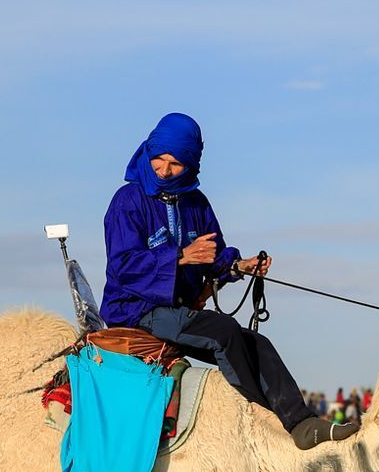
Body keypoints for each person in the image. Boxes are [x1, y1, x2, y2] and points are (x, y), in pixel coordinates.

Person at [101, 113, 355, 450]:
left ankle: (302, 423)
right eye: (158, 159)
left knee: (257, 344)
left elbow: (214, 256)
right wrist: (180, 257)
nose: (164, 170)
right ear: (147, 152)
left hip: (180, 313)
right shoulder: (127, 201)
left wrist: (240, 265)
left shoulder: (196, 203)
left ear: (190, 165)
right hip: (137, 311)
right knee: (223, 332)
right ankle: (262, 423)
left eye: (175, 163)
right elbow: (123, 266)